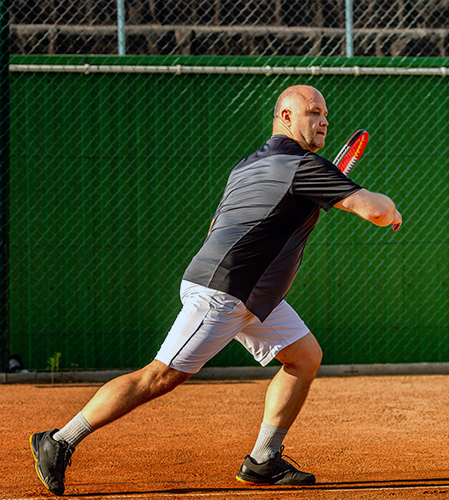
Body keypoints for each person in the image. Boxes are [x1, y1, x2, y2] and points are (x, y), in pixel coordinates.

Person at [29, 84, 402, 496]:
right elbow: (376, 210)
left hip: (250, 291)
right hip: (225, 290)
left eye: (325, 114)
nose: (324, 120)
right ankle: (60, 440)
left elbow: (217, 225)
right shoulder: (304, 166)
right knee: (159, 377)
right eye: (313, 112)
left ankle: (263, 460)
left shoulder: (248, 165)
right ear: (285, 117)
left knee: (304, 356)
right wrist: (393, 209)